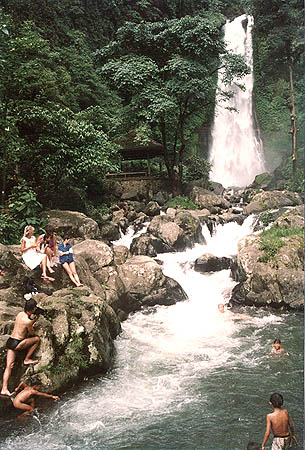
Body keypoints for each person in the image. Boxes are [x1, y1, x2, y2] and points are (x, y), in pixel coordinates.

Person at [1, 299, 40, 396]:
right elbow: (32, 333)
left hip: (10, 341)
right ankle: (26, 359)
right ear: (33, 308)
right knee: (36, 339)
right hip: (18, 343)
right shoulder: (28, 321)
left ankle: (4, 389)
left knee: (9, 366)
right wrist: (34, 321)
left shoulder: (20, 314)